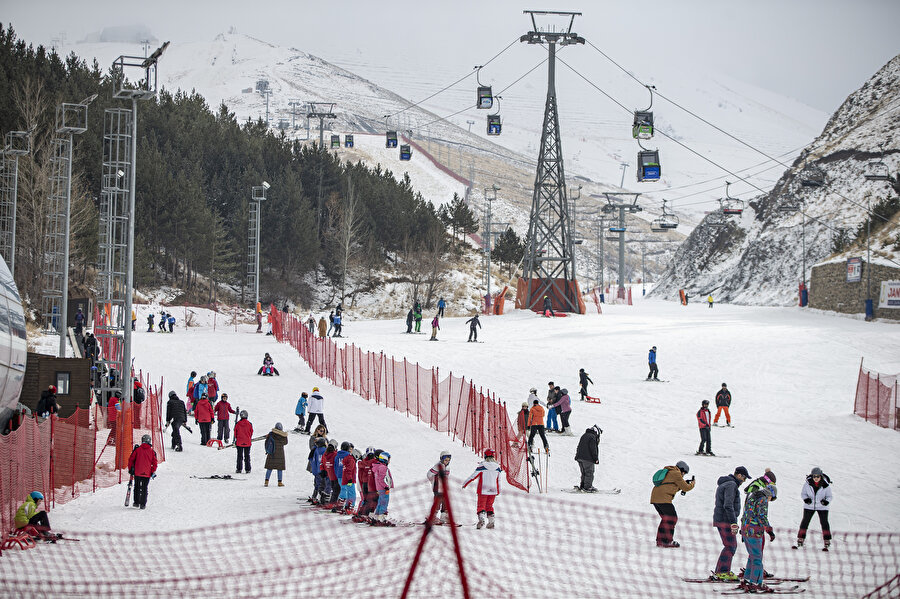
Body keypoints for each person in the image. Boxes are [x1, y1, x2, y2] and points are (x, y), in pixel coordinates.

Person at [712, 466, 750, 581]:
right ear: (739, 475)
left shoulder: (726, 484)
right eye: (744, 478)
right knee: (731, 546)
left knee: (729, 546)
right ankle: (723, 572)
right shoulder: (731, 485)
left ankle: (720, 571)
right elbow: (728, 505)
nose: (744, 481)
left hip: (722, 519)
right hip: (725, 520)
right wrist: (733, 523)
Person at [740, 480, 777, 593]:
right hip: (754, 531)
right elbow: (762, 517)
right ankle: (756, 582)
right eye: (772, 498)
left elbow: (745, 512)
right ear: (770, 494)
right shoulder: (763, 499)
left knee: (752, 556)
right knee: (757, 557)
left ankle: (747, 580)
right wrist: (769, 530)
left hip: (746, 529)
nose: (770, 500)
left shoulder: (752, 496)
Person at [650, 460, 695, 547]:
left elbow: (672, 487)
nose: (683, 475)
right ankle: (667, 541)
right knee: (672, 519)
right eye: (684, 473)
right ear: (682, 470)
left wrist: (683, 483)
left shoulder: (669, 472)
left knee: (666, 519)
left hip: (656, 498)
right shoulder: (676, 473)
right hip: (663, 499)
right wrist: (692, 484)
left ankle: (660, 541)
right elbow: (686, 488)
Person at [463, 448, 502, 529]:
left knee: (481, 505)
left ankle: (481, 519)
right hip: (493, 490)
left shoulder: (482, 466)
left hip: (483, 490)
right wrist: (498, 490)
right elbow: (499, 480)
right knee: (489, 506)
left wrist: (465, 483)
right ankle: (491, 520)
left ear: (485, 456)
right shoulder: (498, 467)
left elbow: (473, 476)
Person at [796, 467, 832, 550]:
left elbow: (830, 496)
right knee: (805, 521)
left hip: (822, 507)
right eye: (814, 476)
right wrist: (806, 499)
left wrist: (826, 501)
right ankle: (801, 538)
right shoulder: (807, 484)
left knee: (824, 523)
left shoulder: (825, 485)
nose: (816, 478)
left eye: (818, 476)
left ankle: (827, 539)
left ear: (821, 476)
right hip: (809, 506)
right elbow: (803, 494)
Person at [127, 434, 158, 509]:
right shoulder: (152, 452)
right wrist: (152, 471)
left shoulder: (137, 450)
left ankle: (136, 502)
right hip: (147, 473)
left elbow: (131, 459)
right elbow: (155, 463)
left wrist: (130, 469)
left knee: (137, 486)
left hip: (137, 472)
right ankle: (143, 504)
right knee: (144, 488)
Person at [427, 451, 452, 524]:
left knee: (445, 501)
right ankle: (433, 517)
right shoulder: (437, 466)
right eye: (445, 460)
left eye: (448, 460)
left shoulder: (448, 468)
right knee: (437, 502)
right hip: (437, 487)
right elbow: (429, 474)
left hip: (444, 488)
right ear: (441, 459)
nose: (447, 462)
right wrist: (433, 481)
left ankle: (444, 517)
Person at [575, 425, 602, 492]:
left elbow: (579, 446)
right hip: (587, 458)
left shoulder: (584, 435)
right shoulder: (592, 437)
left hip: (580, 457)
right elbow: (593, 449)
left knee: (584, 472)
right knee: (589, 472)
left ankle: (583, 485)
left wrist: (577, 455)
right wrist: (596, 458)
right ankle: (587, 487)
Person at [371, 451, 394, 524]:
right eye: (389, 459)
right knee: (384, 502)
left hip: (380, 488)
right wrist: (386, 486)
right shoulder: (383, 468)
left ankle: (376, 516)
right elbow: (382, 479)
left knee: (380, 502)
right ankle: (381, 518)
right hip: (383, 489)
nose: (389, 461)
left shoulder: (378, 467)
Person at [263, 422, 288, 487]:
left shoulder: (271, 434)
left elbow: (267, 442)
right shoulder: (283, 435)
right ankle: (279, 482)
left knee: (269, 468)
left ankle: (266, 481)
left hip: (272, 452)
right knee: (280, 468)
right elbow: (285, 443)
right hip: (280, 454)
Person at [340, 448, 361, 514]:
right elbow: (349, 471)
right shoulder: (351, 460)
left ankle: (347, 506)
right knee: (352, 493)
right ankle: (351, 506)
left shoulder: (348, 459)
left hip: (346, 479)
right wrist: (350, 479)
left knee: (349, 493)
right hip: (349, 480)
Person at [308, 437, 328, 504]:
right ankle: (319, 498)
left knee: (317, 484)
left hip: (316, 470)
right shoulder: (325, 450)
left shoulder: (315, 450)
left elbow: (311, 459)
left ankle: (314, 496)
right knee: (322, 485)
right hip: (322, 470)